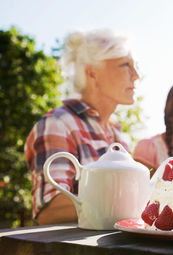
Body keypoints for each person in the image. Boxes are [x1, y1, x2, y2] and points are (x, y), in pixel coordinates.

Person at [25, 29, 140, 225]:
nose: (136, 75)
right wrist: (134, 201)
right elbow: (50, 210)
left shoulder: (116, 134)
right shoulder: (58, 124)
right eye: (125, 65)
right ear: (92, 72)